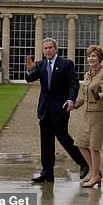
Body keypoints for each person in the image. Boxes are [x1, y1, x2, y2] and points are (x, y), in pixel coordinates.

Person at [24, 37, 89, 182]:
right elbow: (29, 79)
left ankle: (84, 162)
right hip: (44, 108)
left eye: (50, 48)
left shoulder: (66, 64)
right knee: (46, 141)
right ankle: (47, 173)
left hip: (60, 107)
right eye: (45, 48)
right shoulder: (40, 65)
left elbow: (74, 84)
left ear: (55, 49)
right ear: (43, 50)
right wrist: (29, 71)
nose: (48, 50)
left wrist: (71, 100)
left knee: (62, 137)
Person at [73, 45, 103, 188]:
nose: (91, 58)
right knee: (80, 143)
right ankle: (95, 171)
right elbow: (83, 97)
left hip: (98, 113)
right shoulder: (87, 75)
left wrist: (98, 95)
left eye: (93, 56)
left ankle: (94, 176)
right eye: (89, 56)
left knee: (94, 147)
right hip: (87, 113)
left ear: (99, 58)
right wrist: (72, 105)